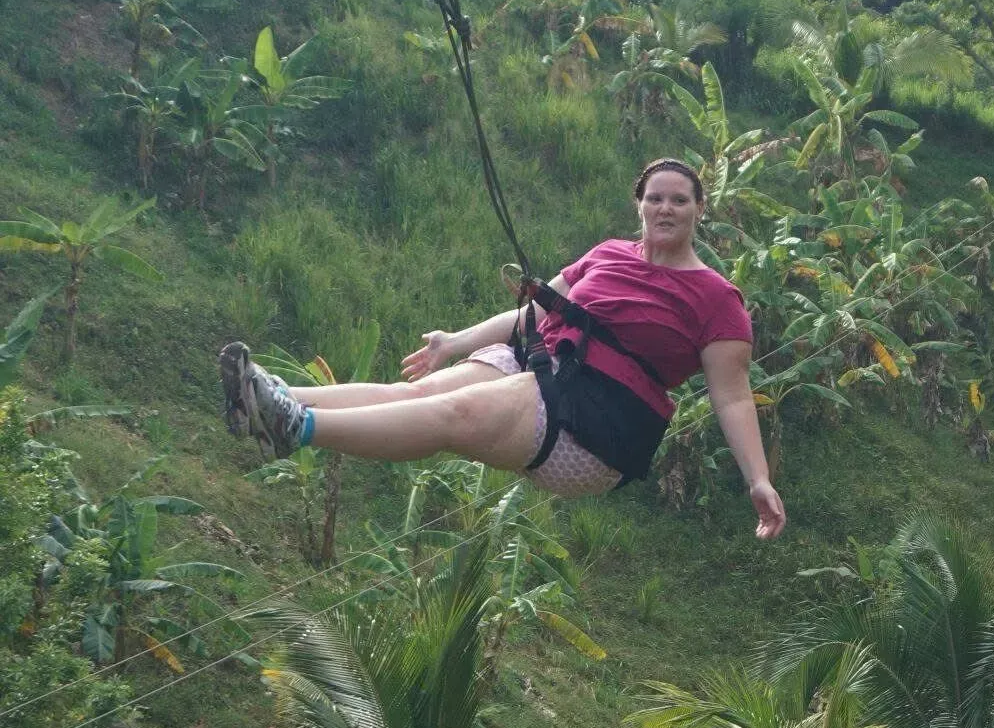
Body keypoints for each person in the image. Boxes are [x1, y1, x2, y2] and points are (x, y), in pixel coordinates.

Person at [219, 158, 786, 539]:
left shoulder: (717, 299)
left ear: (698, 209)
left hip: (594, 424)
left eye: (679, 201)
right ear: (638, 204)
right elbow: (535, 312)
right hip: (543, 368)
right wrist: (453, 341)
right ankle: (267, 394)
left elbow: (731, 397)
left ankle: (298, 428)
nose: (666, 209)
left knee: (452, 415)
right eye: (655, 198)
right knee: (411, 392)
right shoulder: (608, 253)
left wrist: (757, 479)